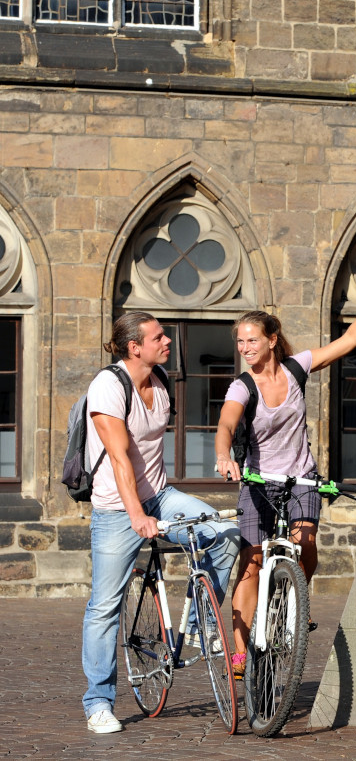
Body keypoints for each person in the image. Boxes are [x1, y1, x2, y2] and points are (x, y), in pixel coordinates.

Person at [214, 285, 356, 678]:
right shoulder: (243, 385)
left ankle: (293, 601)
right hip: (258, 481)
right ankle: (240, 655)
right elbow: (226, 423)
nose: (245, 347)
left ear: (272, 341)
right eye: (240, 341)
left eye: (252, 340)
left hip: (300, 479)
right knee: (252, 563)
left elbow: (350, 340)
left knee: (306, 547)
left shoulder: (296, 367)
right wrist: (224, 455)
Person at [82, 312, 240, 734]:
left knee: (225, 535)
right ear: (135, 346)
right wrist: (137, 516)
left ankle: (197, 627)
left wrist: (154, 506)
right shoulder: (108, 387)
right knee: (104, 608)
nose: (168, 341)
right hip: (117, 507)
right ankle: (98, 702)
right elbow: (118, 458)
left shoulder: (161, 381)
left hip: (161, 495)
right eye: (159, 336)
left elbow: (149, 453)